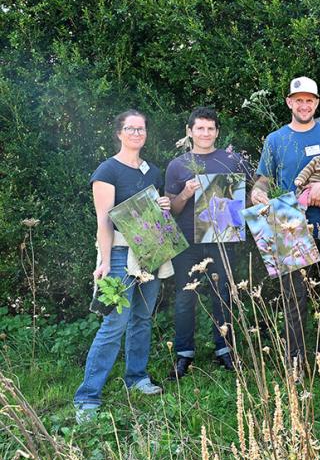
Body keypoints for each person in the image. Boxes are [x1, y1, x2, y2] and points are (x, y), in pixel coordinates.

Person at [251, 76, 320, 375]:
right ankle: (296, 364)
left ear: (317, 103)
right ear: (289, 102)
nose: (304, 105)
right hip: (289, 223)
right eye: (298, 99)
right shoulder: (275, 139)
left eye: (309, 100)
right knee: (293, 298)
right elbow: (263, 178)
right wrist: (256, 191)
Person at [74, 110, 171, 423]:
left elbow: (154, 211)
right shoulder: (107, 170)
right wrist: (103, 260)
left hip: (152, 249)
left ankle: (136, 378)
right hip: (119, 254)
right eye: (130, 128)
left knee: (142, 317)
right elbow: (104, 220)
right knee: (115, 323)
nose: (136, 133)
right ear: (119, 133)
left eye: (141, 129)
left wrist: (164, 205)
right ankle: (87, 397)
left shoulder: (153, 171)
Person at [165, 106, 253, 379]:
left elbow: (247, 197)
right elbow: (174, 209)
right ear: (190, 131)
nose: (205, 133)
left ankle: (224, 350)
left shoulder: (233, 160)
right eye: (199, 128)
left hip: (221, 239)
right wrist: (186, 192)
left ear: (217, 132)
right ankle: (184, 355)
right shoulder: (178, 165)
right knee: (184, 298)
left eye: (210, 128)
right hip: (187, 242)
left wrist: (251, 201)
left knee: (222, 295)